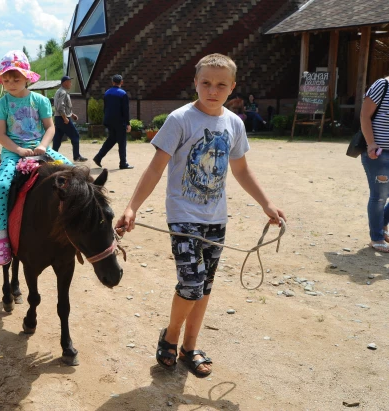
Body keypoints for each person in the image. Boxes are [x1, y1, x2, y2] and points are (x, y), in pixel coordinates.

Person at [115, 54, 286, 377]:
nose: (212, 90)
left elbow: (241, 170)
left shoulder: (234, 123)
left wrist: (267, 204)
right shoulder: (180, 120)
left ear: (232, 88)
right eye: (205, 83)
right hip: (183, 215)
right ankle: (170, 336)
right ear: (195, 83)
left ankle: (189, 347)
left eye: (221, 84)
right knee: (191, 283)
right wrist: (132, 206)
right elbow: (155, 168)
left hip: (216, 218)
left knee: (204, 286)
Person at [0, 50, 74, 265]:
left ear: (27, 77)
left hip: (39, 148)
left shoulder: (40, 100)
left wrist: (43, 146)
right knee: (1, 185)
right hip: (12, 152)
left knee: (75, 173)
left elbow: (50, 127)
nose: (11, 83)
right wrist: (17, 150)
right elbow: (0, 134)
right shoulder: (2, 105)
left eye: (16, 78)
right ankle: (2, 239)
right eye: (6, 79)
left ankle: (75, 224)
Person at [360, 74, 389, 252]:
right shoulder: (382, 85)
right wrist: (371, 143)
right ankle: (376, 237)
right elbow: (364, 115)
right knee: (380, 195)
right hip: (378, 153)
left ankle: (381, 225)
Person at [93, 74, 133, 169]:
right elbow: (125, 110)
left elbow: (105, 107)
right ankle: (123, 163)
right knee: (122, 142)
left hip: (109, 120)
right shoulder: (123, 94)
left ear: (112, 82)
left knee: (111, 140)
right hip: (119, 121)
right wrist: (128, 123)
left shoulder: (107, 93)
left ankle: (98, 157)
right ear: (121, 82)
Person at [52, 75, 87, 162]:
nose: (71, 83)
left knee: (57, 138)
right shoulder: (63, 92)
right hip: (63, 118)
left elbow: (63, 107)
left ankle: (52, 156)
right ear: (65, 83)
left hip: (58, 118)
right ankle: (77, 156)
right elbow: (60, 106)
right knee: (75, 136)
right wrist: (65, 118)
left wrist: (72, 114)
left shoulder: (59, 91)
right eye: (69, 82)